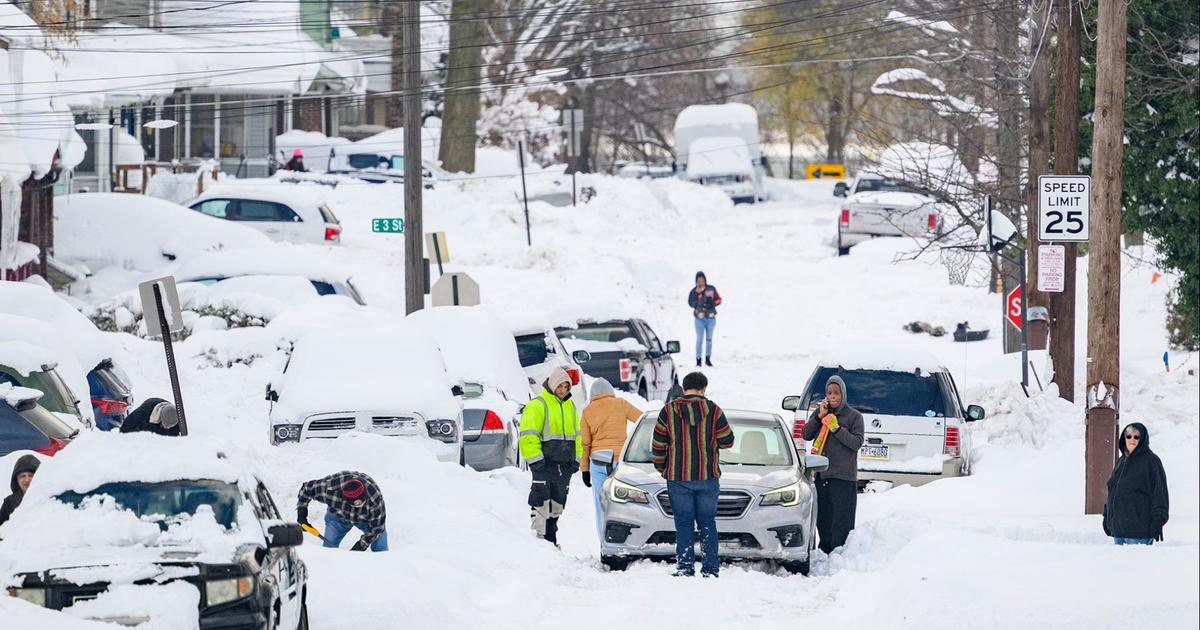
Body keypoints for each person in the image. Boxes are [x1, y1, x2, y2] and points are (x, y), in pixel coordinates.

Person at [651, 371, 734, 577]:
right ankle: (710, 568)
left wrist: (663, 468)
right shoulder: (714, 411)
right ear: (703, 388)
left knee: (683, 522)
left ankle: (685, 567)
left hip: (678, 478)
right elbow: (728, 440)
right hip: (707, 477)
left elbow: (658, 444)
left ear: (684, 388)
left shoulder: (668, 411)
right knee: (707, 522)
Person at [801, 375, 864, 555]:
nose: (832, 396)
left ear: (843, 394)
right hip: (822, 475)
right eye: (829, 392)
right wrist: (819, 417)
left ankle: (841, 555)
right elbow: (806, 434)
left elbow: (856, 443)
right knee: (824, 519)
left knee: (842, 521)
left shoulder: (854, 417)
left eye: (836, 392)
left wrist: (836, 428)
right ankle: (825, 552)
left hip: (843, 477)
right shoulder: (821, 412)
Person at [519, 367, 581, 546]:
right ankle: (539, 544)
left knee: (557, 505)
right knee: (541, 504)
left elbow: (578, 435)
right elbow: (528, 435)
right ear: (552, 384)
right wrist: (536, 461)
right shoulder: (538, 404)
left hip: (564, 467)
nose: (563, 390)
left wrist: (576, 460)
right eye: (560, 386)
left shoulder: (569, 405)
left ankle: (551, 541)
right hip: (544, 466)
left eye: (566, 387)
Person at [580, 378, 643, 541]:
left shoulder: (587, 411)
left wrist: (584, 470)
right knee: (624, 500)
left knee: (601, 504)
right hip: (619, 461)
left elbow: (585, 444)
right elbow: (641, 420)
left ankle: (604, 540)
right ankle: (627, 538)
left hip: (598, 462)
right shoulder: (620, 403)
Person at [1103, 422, 1169, 545]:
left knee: (1138, 564)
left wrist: (1158, 521)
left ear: (1142, 439)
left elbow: (1160, 495)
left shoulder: (1151, 461)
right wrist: (1107, 516)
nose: (1132, 440)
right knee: (1119, 564)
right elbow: (1113, 490)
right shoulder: (1121, 461)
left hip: (1140, 532)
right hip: (1118, 531)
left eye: (1136, 437)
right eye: (1129, 436)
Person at [296, 471, 387, 552]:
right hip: (338, 517)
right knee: (328, 550)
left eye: (361, 502)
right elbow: (306, 489)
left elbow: (376, 529)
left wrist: (360, 546)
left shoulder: (374, 497)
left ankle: (382, 564)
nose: (360, 504)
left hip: (366, 520)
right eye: (356, 503)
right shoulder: (330, 489)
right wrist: (301, 514)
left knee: (380, 542)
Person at [687, 271, 721, 367]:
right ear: (696, 282)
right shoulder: (693, 291)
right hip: (699, 319)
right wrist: (697, 297)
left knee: (709, 339)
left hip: (710, 318)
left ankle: (708, 358)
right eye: (699, 281)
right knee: (699, 339)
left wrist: (713, 303)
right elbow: (690, 303)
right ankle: (698, 360)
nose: (701, 283)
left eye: (702, 280)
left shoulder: (711, 289)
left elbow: (719, 299)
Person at [0, 454, 40, 528]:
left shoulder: (49, 497)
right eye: (22, 476)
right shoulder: (9, 502)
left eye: (31, 475)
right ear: (17, 480)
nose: (27, 480)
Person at [118, 398, 184, 436]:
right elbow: (127, 424)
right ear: (161, 417)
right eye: (166, 424)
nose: (168, 427)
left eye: (171, 426)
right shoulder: (144, 411)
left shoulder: (176, 419)